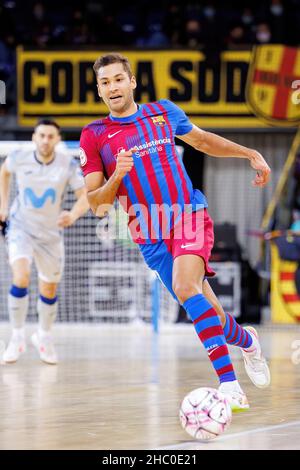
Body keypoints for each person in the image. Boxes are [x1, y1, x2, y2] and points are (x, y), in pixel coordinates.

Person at [79, 53, 271, 411]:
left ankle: (229, 386)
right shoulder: (94, 136)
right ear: (99, 90)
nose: (113, 87)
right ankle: (247, 340)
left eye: (118, 79)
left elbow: (203, 141)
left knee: (185, 287)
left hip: (186, 215)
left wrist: (250, 153)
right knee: (207, 309)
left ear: (132, 82)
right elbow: (97, 204)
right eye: (105, 82)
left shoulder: (163, 112)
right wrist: (117, 176)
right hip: (148, 233)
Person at [0, 119, 89, 364]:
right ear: (34, 137)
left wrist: (72, 214)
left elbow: (85, 197)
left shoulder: (68, 165)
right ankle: (17, 337)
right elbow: (4, 172)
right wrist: (3, 206)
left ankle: (44, 336)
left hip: (50, 235)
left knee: (48, 288)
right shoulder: (19, 157)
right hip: (21, 228)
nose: (46, 140)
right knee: (21, 276)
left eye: (51, 136)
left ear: (58, 140)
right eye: (42, 135)